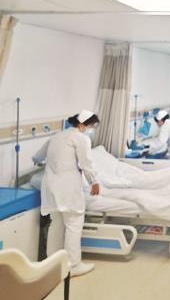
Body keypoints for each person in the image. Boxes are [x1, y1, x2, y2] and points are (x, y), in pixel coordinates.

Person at [32, 110, 100, 277]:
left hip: (50, 186)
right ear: (82, 124)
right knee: (74, 224)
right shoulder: (81, 138)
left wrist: (45, 163)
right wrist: (94, 182)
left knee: (56, 223)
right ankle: (73, 265)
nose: (92, 129)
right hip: (68, 187)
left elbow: (37, 157)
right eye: (92, 126)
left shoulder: (56, 136)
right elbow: (86, 163)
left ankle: (53, 263)